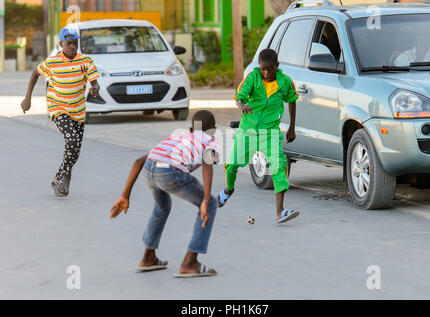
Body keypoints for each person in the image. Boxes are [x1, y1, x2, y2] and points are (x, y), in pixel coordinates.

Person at [110, 110, 221, 278]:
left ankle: (148, 257)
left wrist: (125, 196)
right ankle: (190, 263)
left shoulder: (178, 137)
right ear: (213, 129)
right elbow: (207, 163)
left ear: (191, 129)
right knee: (211, 204)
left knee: (162, 206)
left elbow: (139, 161)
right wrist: (205, 199)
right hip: (170, 173)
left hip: (150, 168)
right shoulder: (210, 139)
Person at [218, 48, 300, 224]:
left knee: (279, 165)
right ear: (259, 67)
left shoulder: (285, 81)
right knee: (231, 165)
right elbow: (239, 97)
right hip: (247, 130)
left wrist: (292, 127)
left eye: (270, 69)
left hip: (269, 131)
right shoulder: (253, 78)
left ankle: (280, 212)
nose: (266, 73)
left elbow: (292, 100)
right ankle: (228, 190)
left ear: (277, 66)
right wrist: (243, 105)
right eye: (263, 69)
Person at [20, 24, 100, 196]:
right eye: (68, 43)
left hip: (78, 110)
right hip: (58, 108)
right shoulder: (52, 62)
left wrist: (95, 88)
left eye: (75, 43)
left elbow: (94, 82)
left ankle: (59, 178)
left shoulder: (86, 61)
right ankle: (64, 179)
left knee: (75, 150)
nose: (72, 46)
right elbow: (35, 73)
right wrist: (28, 98)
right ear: (61, 44)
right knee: (72, 142)